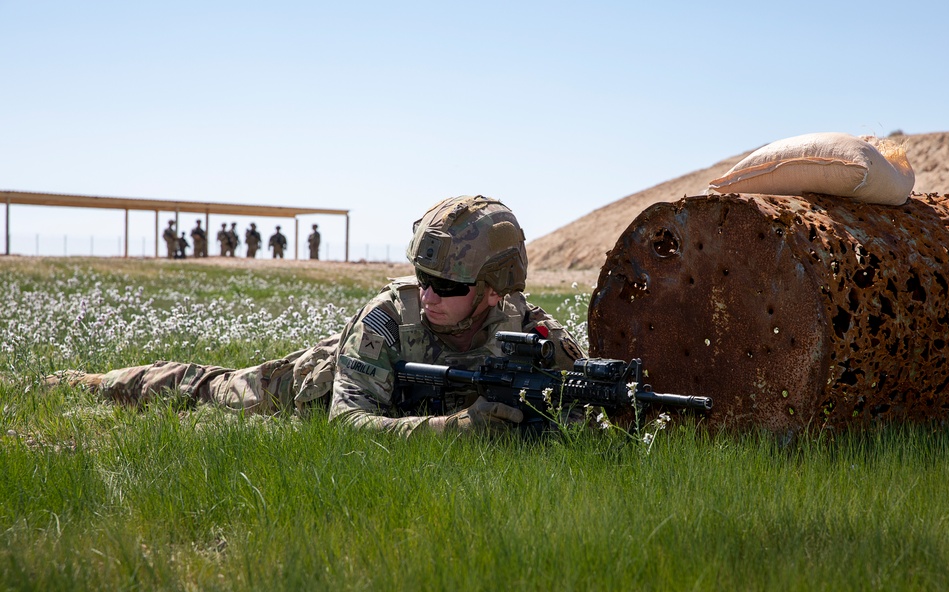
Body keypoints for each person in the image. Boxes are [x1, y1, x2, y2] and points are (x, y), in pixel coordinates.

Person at [45, 195, 585, 436]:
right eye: (422, 278)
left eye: (446, 285)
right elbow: (348, 427)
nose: (428, 295)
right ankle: (92, 382)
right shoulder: (386, 319)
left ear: (492, 293)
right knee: (210, 389)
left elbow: (595, 407)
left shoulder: (531, 334)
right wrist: (458, 430)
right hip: (313, 387)